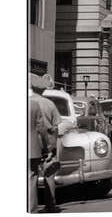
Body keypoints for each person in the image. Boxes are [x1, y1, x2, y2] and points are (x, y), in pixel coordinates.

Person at [30, 73, 61, 213]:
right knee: (49, 174)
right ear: (43, 89)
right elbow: (55, 127)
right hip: (47, 141)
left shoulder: (28, 103)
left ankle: (30, 206)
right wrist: (52, 146)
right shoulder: (50, 104)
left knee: (31, 176)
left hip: (31, 144)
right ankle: (50, 205)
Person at [28, 87, 47, 213]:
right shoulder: (33, 105)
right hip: (31, 147)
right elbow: (41, 128)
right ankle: (31, 209)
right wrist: (46, 146)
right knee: (30, 177)